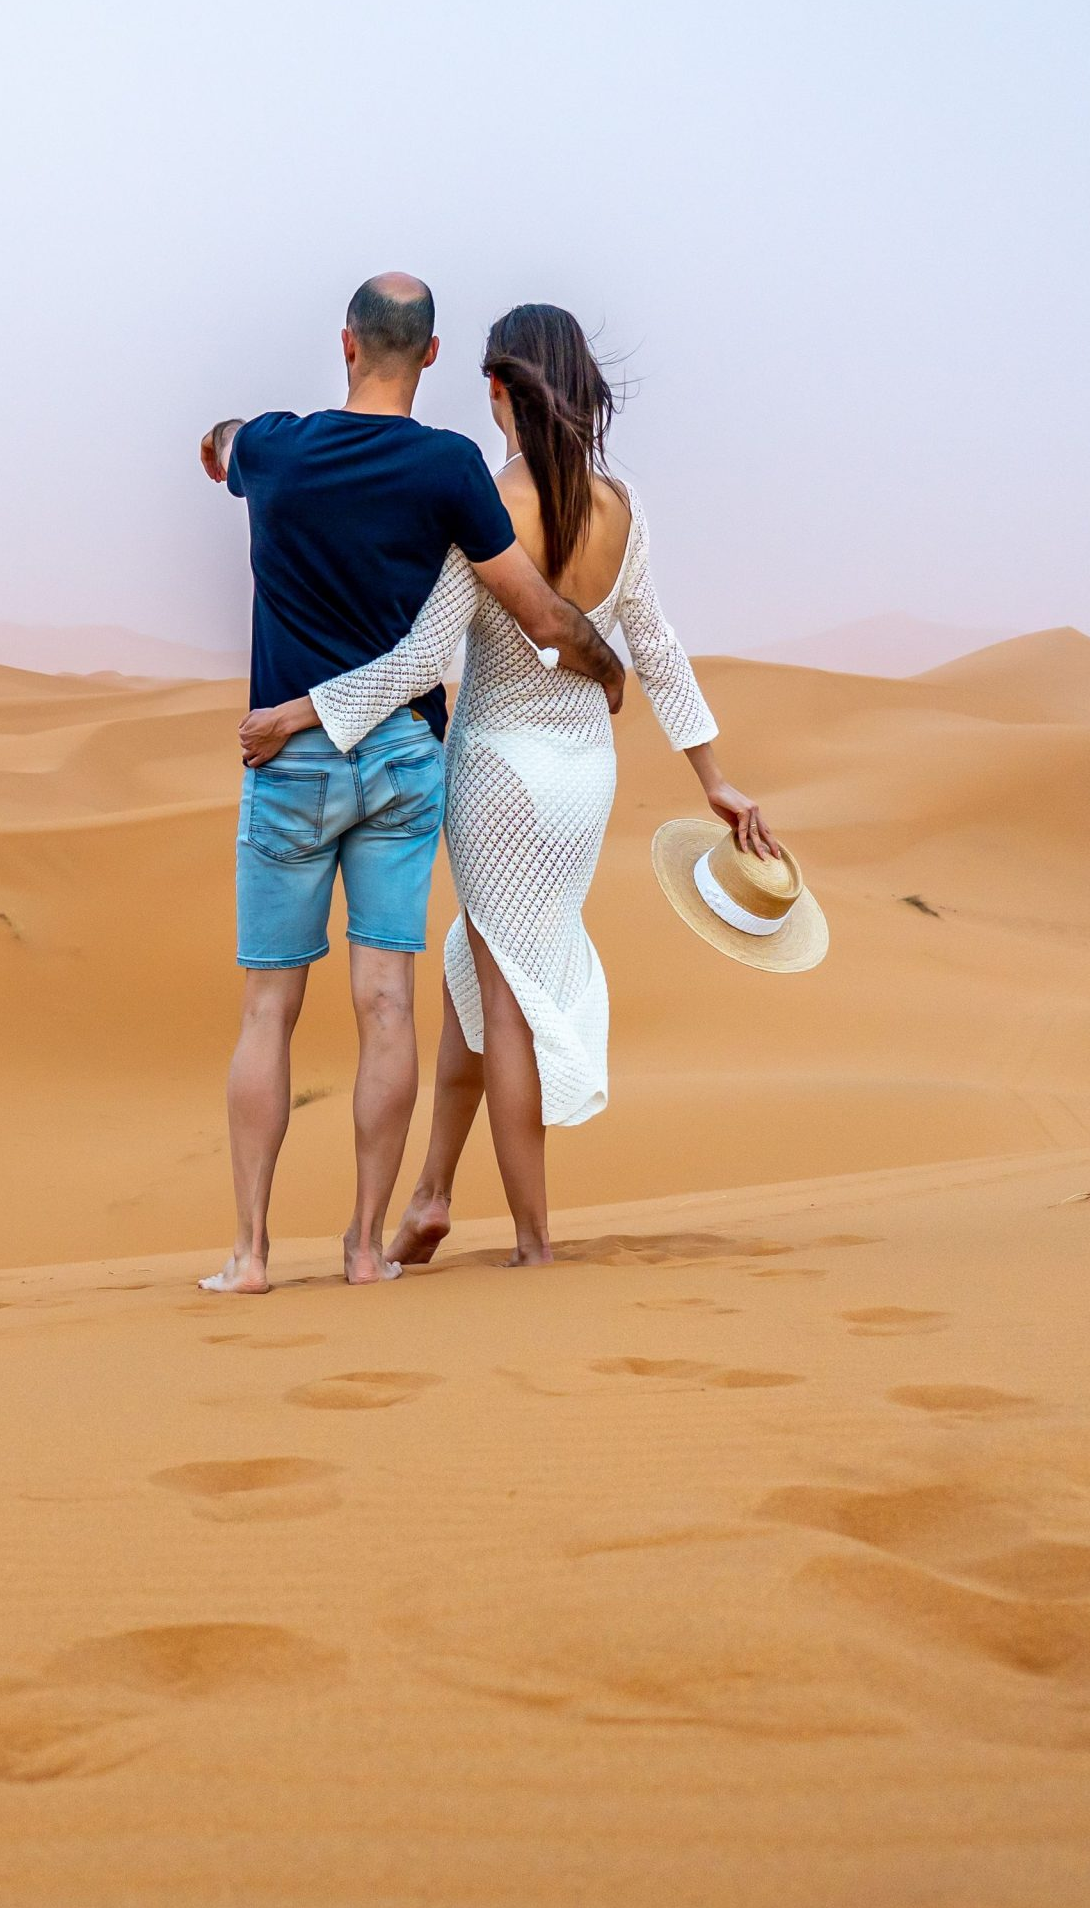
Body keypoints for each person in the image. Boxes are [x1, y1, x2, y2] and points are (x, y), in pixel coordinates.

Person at [240, 302, 776, 1267]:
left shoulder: (488, 505)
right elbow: (653, 646)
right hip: (582, 784)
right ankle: (432, 1196)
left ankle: (534, 1244)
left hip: (497, 777)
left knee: (508, 993)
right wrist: (715, 780)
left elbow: (419, 663)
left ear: (497, 389)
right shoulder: (621, 507)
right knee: (477, 982)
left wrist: (301, 710)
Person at [199, 275, 625, 1295]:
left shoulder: (274, 447)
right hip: (400, 761)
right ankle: (360, 1248)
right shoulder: (448, 468)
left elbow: (219, 442)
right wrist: (607, 669)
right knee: (387, 1001)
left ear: (345, 342)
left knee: (268, 1010)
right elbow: (535, 609)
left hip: (288, 757)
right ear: (430, 358)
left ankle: (251, 1254)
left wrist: (225, 441)